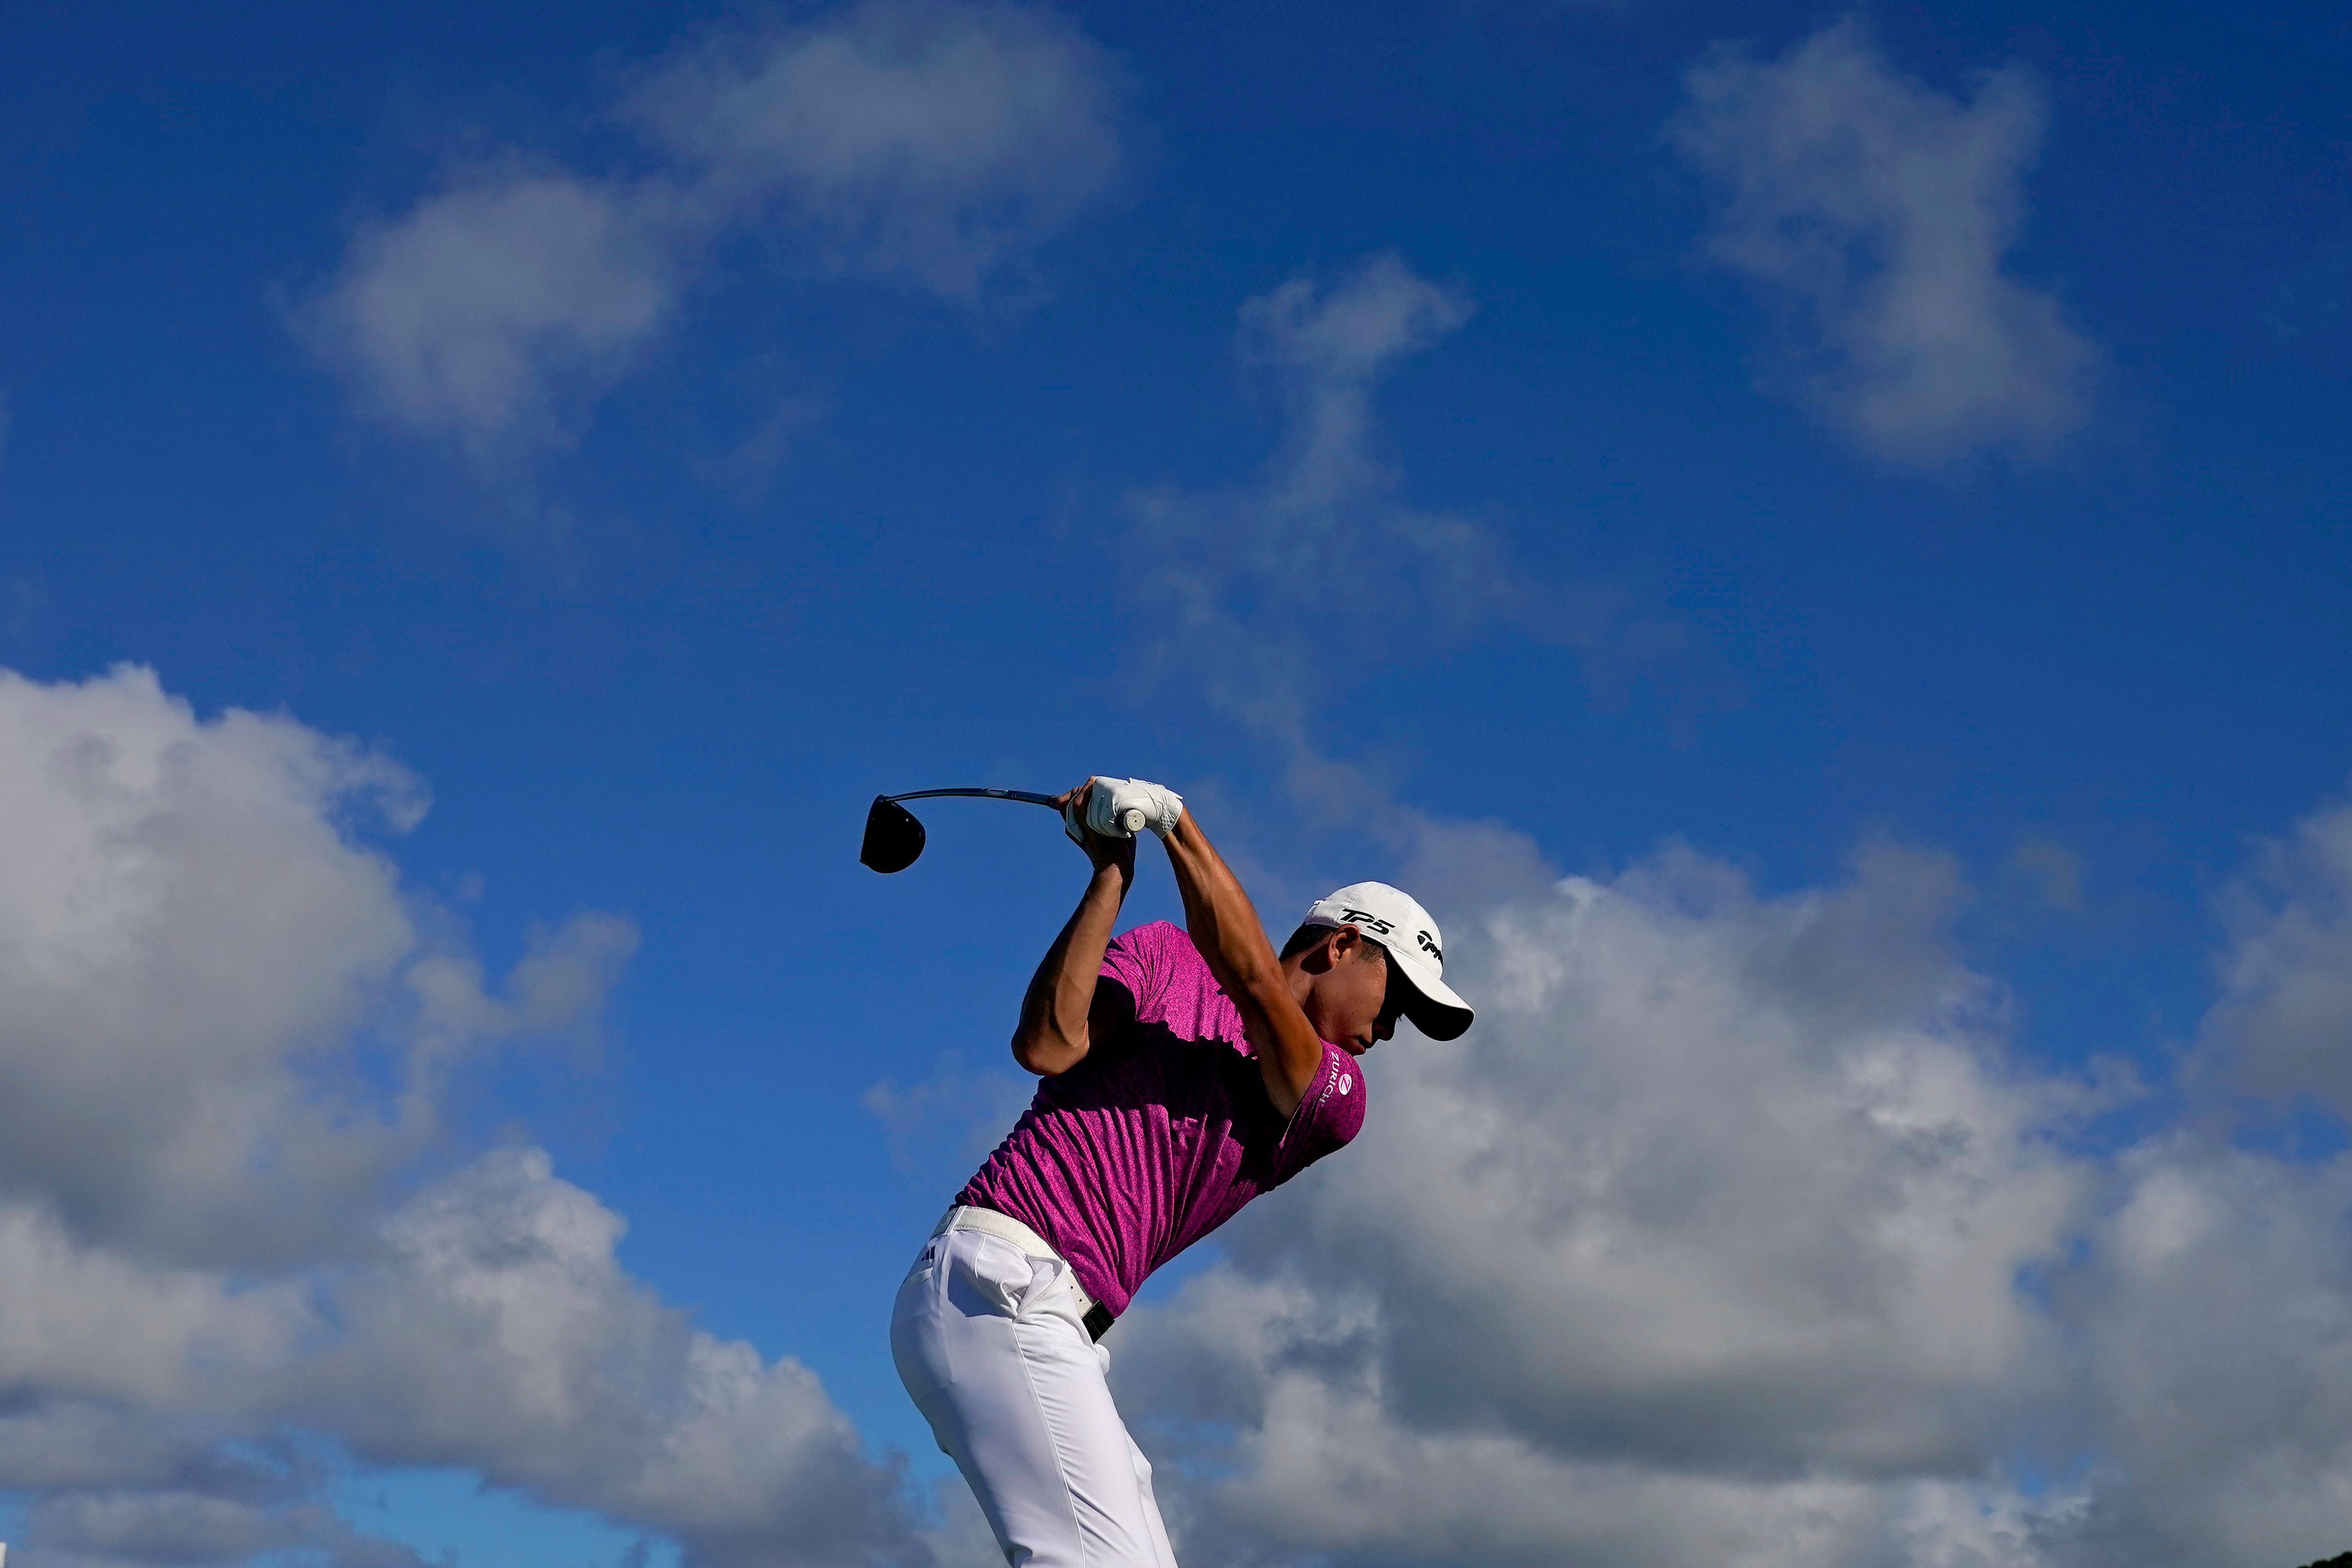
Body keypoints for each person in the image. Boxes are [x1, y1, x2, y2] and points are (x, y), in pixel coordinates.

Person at [889, 775, 1475, 1567]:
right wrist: (1111, 877)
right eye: (1396, 997)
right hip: (996, 1283)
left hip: (1047, 1315)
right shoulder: (1165, 954)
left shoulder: (1335, 1098)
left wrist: (1174, 820)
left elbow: (1256, 982)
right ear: (1341, 944)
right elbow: (1048, 1046)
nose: (1392, 1029)